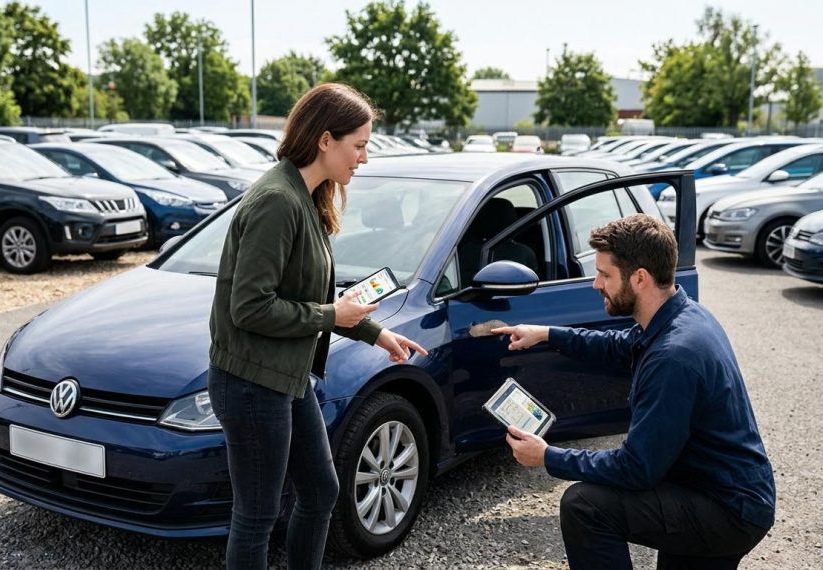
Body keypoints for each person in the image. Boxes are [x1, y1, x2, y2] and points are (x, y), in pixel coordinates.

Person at [208, 83, 428, 570]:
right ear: (326, 140)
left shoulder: (306, 197)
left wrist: (375, 333)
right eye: (360, 145)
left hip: (286, 376)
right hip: (251, 384)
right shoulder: (276, 201)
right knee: (258, 514)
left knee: (322, 492)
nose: (364, 158)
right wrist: (333, 316)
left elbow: (304, 298)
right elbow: (250, 307)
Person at [491, 214, 775, 570]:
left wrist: (548, 456)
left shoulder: (674, 357)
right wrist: (546, 332)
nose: (596, 284)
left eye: (605, 275)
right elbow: (617, 346)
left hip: (725, 509)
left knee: (585, 505)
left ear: (639, 278)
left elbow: (636, 469)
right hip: (721, 492)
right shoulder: (680, 316)